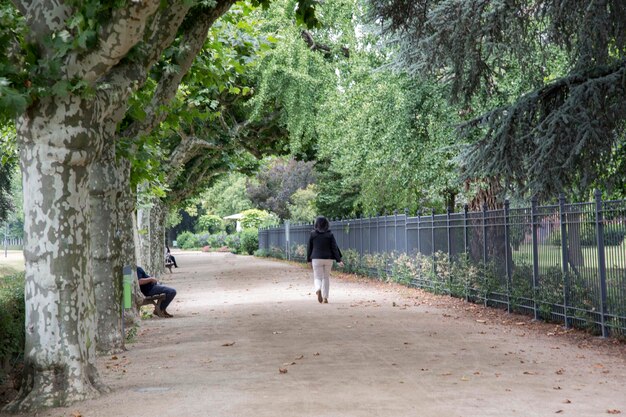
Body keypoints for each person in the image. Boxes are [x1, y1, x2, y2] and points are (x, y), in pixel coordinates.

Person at [306, 216, 344, 304]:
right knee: (326, 278)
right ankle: (325, 297)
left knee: (317, 277)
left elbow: (309, 248)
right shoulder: (330, 234)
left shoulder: (312, 234)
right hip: (328, 259)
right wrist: (339, 260)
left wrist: (308, 260)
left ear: (316, 224)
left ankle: (318, 289)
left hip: (316, 259)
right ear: (327, 224)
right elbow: (334, 248)